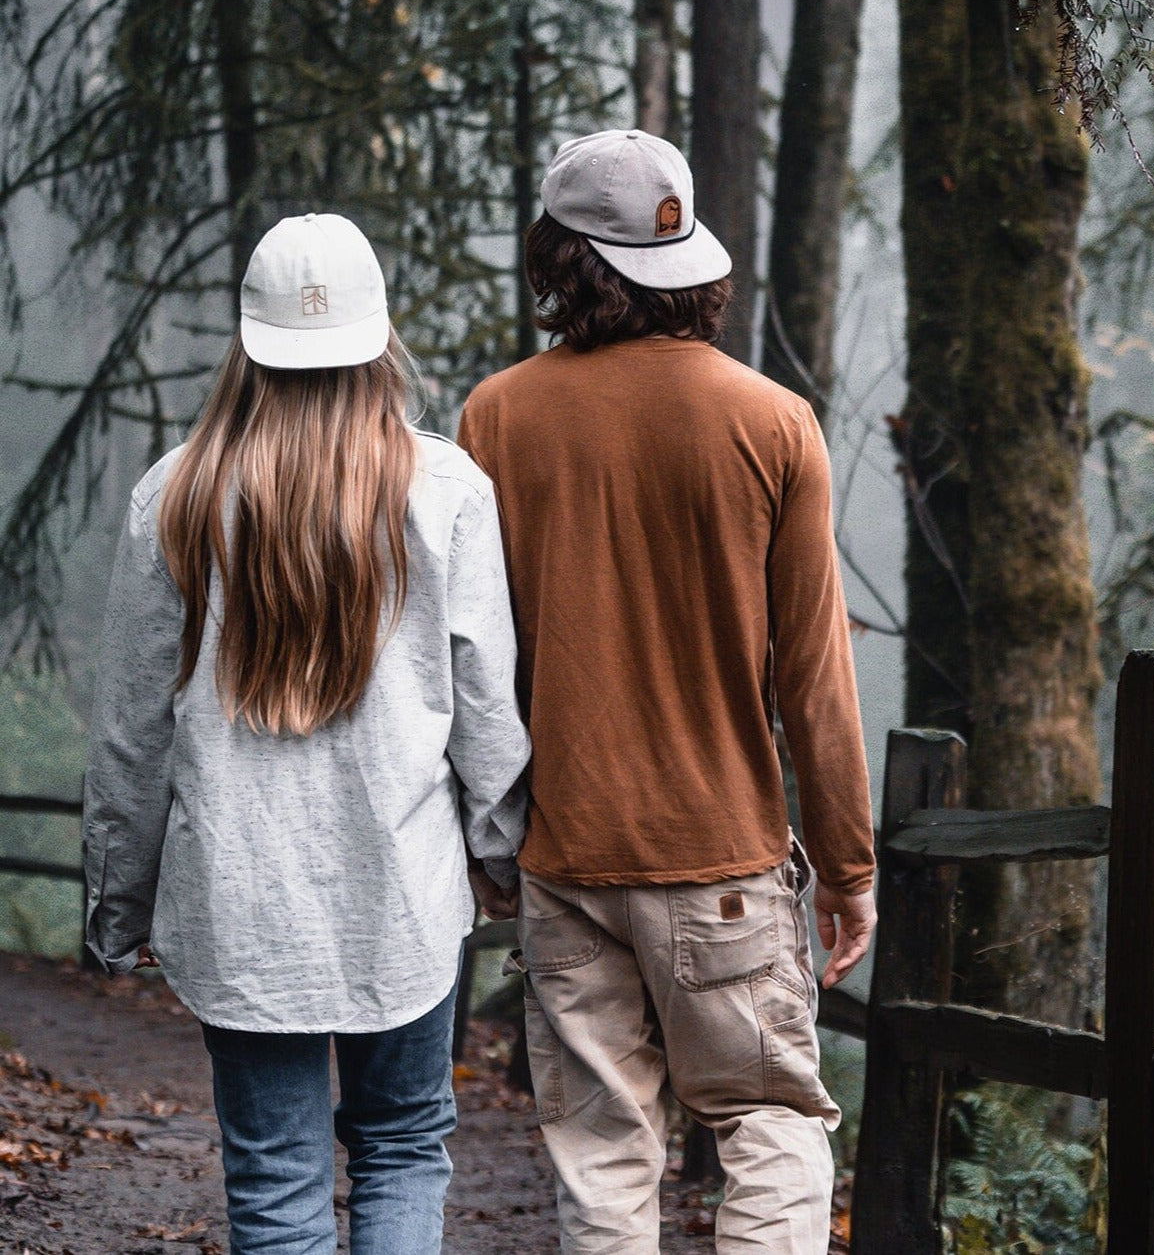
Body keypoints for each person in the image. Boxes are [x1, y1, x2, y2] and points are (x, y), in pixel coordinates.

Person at [458, 130, 878, 1254]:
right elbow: (814, 676)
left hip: (568, 853)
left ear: (556, 256)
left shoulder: (495, 418)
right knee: (772, 1122)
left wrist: (488, 838)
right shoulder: (772, 422)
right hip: (724, 861)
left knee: (600, 1154)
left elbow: (472, 662)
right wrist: (846, 866)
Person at [83, 212, 529, 1255]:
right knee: (403, 1145)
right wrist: (500, 858)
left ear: (250, 345)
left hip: (239, 903)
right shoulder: (448, 493)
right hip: (404, 897)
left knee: (276, 1174)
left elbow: (130, 737)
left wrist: (118, 904)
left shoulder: (178, 495)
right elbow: (487, 710)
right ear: (380, 341)